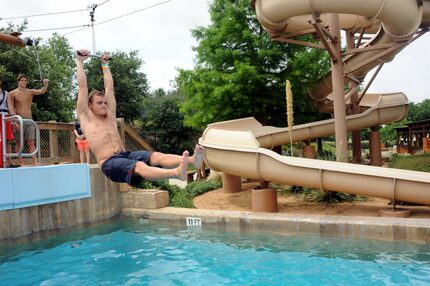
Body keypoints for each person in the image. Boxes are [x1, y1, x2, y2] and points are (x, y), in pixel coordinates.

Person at [75, 49, 204, 186]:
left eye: (105, 102)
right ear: (90, 105)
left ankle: (192, 160)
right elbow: (83, 88)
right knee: (140, 166)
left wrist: (105, 65)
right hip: (109, 163)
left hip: (125, 155)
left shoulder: (110, 115)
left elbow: (109, 87)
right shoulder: (86, 118)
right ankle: (175, 173)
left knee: (155, 156)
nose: (104, 105)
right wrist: (79, 62)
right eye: (99, 103)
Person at [8, 74, 49, 166]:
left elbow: (42, 91)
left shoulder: (30, 91)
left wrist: (45, 84)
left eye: (25, 81)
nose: (24, 82)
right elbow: (10, 108)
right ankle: (21, 162)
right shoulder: (12, 93)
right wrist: (14, 121)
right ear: (18, 81)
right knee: (19, 142)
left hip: (29, 119)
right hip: (18, 120)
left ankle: (35, 162)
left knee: (31, 141)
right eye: (22, 80)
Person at [0, 77, 17, 167]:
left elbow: (10, 107)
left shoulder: (6, 93)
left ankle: (9, 162)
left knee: (8, 140)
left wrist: (13, 120)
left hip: (5, 117)